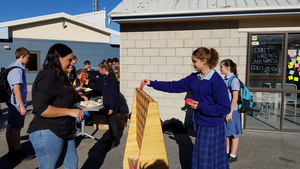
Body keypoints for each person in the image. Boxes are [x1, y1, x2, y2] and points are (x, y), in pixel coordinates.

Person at [141, 47, 231, 169]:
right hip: (201, 124)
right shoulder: (194, 78)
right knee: (201, 160)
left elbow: (224, 108)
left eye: (194, 61)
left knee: (210, 162)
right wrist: (152, 83)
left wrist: (200, 106)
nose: (192, 63)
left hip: (213, 126)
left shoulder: (216, 81)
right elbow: (174, 86)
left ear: (204, 61)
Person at [27, 43, 85, 169]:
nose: (72, 63)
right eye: (69, 60)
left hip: (66, 129)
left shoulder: (61, 75)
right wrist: (70, 112)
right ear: (58, 57)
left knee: (72, 164)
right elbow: (40, 108)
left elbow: (64, 99)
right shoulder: (47, 75)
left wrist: (79, 104)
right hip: (49, 131)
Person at [6, 47, 32, 162]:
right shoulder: (17, 69)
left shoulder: (11, 66)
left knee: (11, 126)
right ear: (23, 56)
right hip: (17, 103)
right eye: (28, 58)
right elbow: (16, 88)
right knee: (16, 128)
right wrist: (22, 106)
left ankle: (11, 150)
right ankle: (17, 151)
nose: (28, 60)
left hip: (12, 102)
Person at [220, 59, 242, 163]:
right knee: (227, 132)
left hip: (232, 111)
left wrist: (230, 112)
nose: (220, 68)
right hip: (227, 110)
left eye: (221, 67)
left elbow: (235, 98)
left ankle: (233, 155)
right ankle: (227, 151)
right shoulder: (225, 79)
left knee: (233, 133)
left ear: (227, 67)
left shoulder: (234, 80)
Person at [98, 60, 120, 147]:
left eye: (100, 70)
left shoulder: (111, 78)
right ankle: (111, 138)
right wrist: (88, 84)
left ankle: (114, 141)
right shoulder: (105, 77)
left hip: (112, 105)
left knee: (112, 122)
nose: (99, 71)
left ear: (104, 69)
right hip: (107, 104)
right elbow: (99, 86)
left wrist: (111, 107)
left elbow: (113, 94)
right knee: (109, 121)